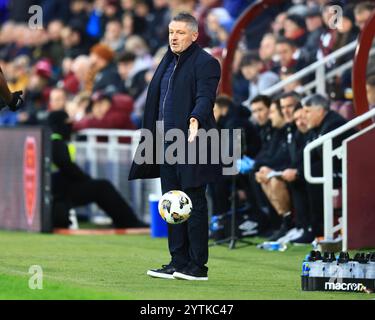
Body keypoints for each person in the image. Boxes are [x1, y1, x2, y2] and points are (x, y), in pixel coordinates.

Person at [128, 13, 221, 281]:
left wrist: (196, 118)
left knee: (194, 201)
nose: (174, 37)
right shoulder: (167, 60)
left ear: (194, 35)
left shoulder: (206, 63)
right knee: (172, 203)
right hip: (165, 142)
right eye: (171, 32)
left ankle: (197, 266)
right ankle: (177, 261)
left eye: (180, 32)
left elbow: (206, 96)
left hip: (194, 140)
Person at [48, 110, 147, 229]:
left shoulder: (45, 140)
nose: (70, 126)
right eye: (67, 122)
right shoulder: (56, 142)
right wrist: (85, 178)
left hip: (54, 189)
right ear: (59, 124)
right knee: (103, 187)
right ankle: (129, 222)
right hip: (59, 191)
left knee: (100, 187)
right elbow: (67, 167)